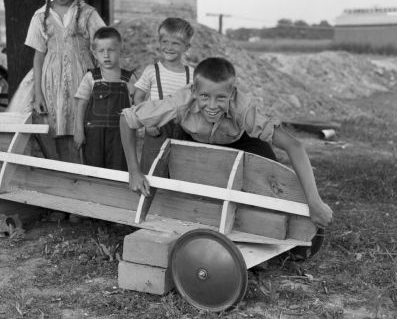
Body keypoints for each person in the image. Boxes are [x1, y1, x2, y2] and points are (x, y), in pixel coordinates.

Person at [119, 57, 333, 229]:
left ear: (232, 94)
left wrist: (315, 203)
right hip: (192, 139)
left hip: (240, 140)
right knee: (185, 188)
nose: (212, 106)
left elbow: (294, 145)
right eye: (204, 96)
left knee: (270, 181)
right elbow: (126, 119)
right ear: (194, 92)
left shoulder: (243, 109)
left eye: (220, 98)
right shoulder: (179, 102)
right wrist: (134, 171)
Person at [23, 0, 105, 162]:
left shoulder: (88, 14)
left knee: (85, 125)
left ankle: (90, 171)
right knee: (58, 127)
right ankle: (65, 172)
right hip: (52, 84)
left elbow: (103, 47)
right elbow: (39, 56)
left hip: (83, 79)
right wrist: (38, 93)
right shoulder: (40, 16)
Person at [134, 17, 194, 174]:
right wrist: (147, 122)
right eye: (165, 42)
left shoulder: (192, 75)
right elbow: (138, 98)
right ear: (159, 43)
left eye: (176, 43)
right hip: (156, 130)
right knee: (152, 172)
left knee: (180, 173)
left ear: (187, 47)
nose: (169, 47)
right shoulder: (152, 71)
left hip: (183, 131)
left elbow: (195, 103)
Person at [74, 27, 136, 170]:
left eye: (111, 50)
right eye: (101, 51)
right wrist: (78, 130)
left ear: (121, 50)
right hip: (93, 135)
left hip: (121, 135)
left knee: (119, 169)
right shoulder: (91, 77)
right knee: (94, 169)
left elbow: (138, 105)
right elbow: (81, 104)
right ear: (94, 54)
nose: (106, 55)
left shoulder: (129, 79)